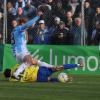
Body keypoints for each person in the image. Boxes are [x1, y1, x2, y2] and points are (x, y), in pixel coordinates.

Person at [11, 10, 54, 79]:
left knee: (35, 61)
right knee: (29, 61)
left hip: (18, 52)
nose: (32, 24)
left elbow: (24, 40)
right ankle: (16, 73)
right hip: (20, 51)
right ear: (23, 23)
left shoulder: (19, 31)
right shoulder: (19, 28)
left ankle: (52, 66)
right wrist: (37, 16)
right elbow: (28, 24)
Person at [4, 62, 83, 82]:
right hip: (39, 70)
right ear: (10, 69)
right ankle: (78, 64)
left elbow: (10, 79)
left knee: (50, 79)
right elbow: (26, 64)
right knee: (59, 67)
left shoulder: (12, 79)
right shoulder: (17, 66)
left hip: (37, 78)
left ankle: (65, 80)